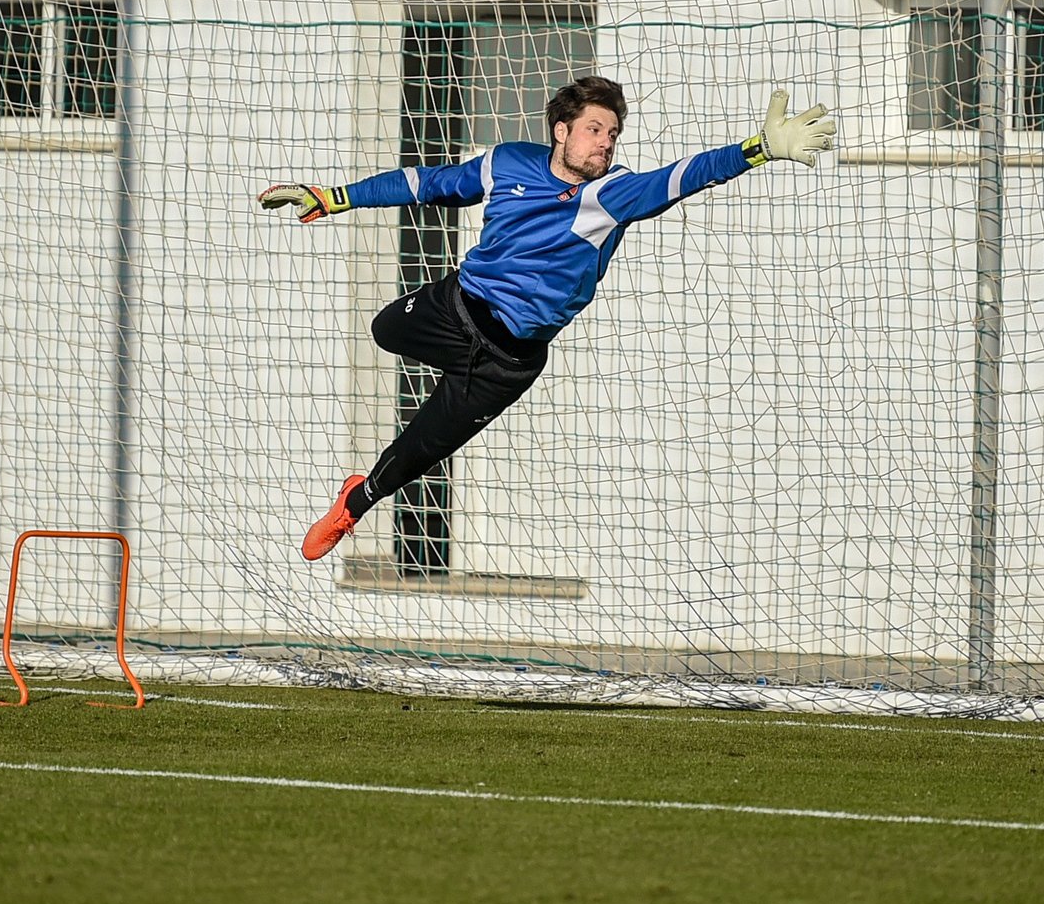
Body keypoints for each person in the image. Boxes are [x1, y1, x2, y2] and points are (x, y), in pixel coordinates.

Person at [259, 76, 835, 562]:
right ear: (561, 130)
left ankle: (353, 503)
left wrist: (757, 148)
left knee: (419, 452)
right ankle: (447, 362)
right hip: (454, 311)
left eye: (612, 134)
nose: (604, 143)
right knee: (386, 329)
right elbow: (427, 183)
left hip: (509, 361)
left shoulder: (613, 195)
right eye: (594, 130)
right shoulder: (509, 161)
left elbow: (681, 177)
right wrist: (334, 196)